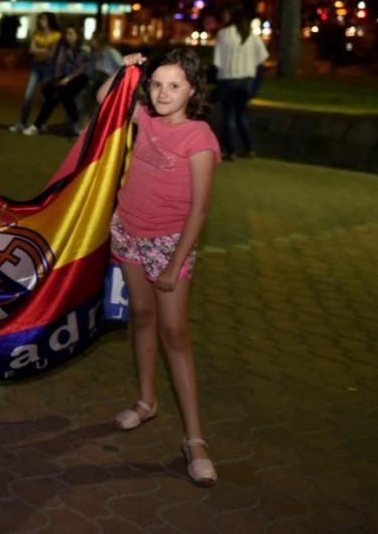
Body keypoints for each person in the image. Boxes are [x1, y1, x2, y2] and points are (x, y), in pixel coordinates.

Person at [96, 48, 221, 487]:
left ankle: (195, 439)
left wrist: (175, 262)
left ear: (192, 90)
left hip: (170, 245)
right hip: (128, 232)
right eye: (156, 84)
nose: (163, 93)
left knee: (175, 334)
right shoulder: (144, 119)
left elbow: (201, 209)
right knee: (142, 317)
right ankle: (147, 402)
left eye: (174, 85)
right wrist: (126, 69)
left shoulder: (199, 137)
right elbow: (101, 99)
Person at [213, 5, 268, 160]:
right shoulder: (251, 36)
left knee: (229, 115)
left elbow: (218, 62)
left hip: (229, 80)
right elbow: (261, 60)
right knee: (241, 113)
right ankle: (249, 147)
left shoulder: (224, 35)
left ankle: (231, 150)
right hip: (247, 81)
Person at [23, 25, 90, 136]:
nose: (68, 36)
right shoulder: (64, 47)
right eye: (67, 34)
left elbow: (82, 68)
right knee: (51, 95)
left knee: (66, 96)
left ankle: (75, 124)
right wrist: (57, 78)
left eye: (71, 34)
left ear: (77, 36)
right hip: (65, 76)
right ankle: (37, 125)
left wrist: (67, 79)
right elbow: (59, 64)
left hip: (80, 77)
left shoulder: (84, 48)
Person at [9, 12, 60, 133]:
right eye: (40, 19)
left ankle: (40, 124)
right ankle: (22, 123)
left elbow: (52, 54)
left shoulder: (56, 35)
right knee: (28, 95)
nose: (41, 21)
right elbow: (31, 49)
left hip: (48, 67)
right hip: (36, 66)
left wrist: (39, 50)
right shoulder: (36, 33)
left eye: (44, 19)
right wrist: (44, 50)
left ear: (50, 21)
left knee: (44, 97)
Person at [84, 29, 124, 119]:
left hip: (107, 78)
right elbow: (90, 69)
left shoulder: (110, 51)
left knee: (96, 97)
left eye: (93, 38)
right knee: (90, 98)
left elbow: (122, 64)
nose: (91, 40)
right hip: (97, 77)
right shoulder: (94, 52)